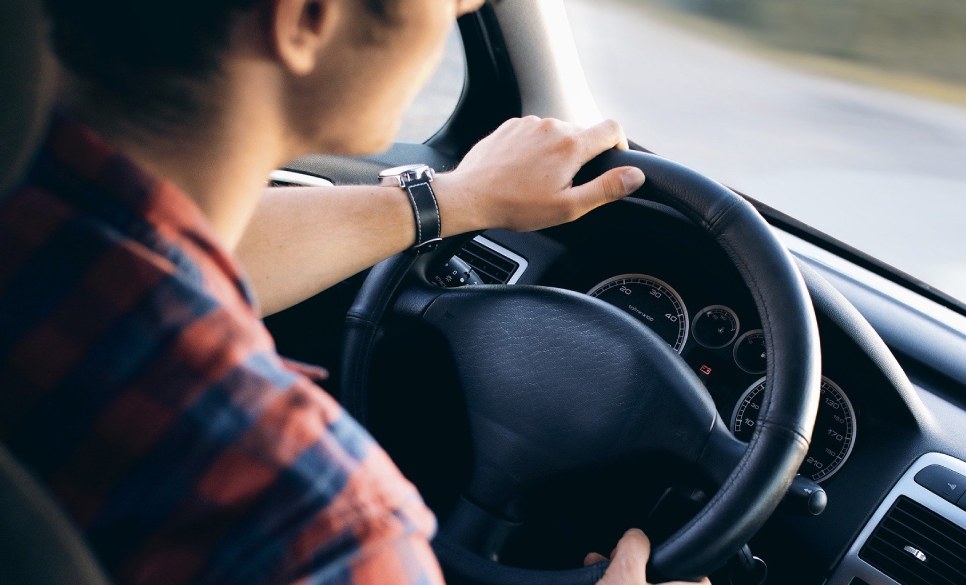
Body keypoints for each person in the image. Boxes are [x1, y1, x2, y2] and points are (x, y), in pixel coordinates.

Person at [0, 0, 710, 583]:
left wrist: (454, 199)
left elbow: (172, 247)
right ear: (306, 17)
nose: (465, 6)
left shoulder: (39, 221)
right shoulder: (321, 528)